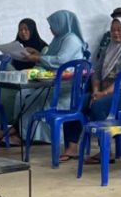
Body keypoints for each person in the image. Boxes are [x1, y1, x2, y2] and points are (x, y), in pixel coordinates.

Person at [60, 17, 121, 162]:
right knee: (78, 104)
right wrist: (95, 91)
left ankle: (105, 150)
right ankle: (72, 146)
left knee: (98, 106)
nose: (116, 33)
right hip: (103, 92)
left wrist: (103, 94)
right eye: (113, 30)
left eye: (120, 30)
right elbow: (97, 72)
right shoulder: (110, 47)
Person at [17, 10, 88, 144]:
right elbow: (49, 58)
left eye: (53, 25)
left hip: (68, 85)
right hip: (55, 82)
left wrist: (37, 57)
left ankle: (42, 137)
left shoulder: (71, 39)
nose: (50, 28)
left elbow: (61, 60)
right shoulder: (59, 39)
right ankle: (28, 134)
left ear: (61, 23)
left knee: (39, 98)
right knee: (26, 95)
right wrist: (37, 54)